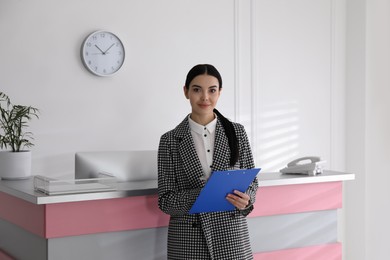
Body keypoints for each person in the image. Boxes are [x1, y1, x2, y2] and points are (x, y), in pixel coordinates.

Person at [157, 64, 258, 260]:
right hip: (188, 241)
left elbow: (252, 182)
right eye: (197, 89)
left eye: (212, 90)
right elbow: (166, 201)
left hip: (231, 237)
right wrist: (206, 194)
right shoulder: (170, 140)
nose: (205, 97)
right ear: (186, 92)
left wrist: (247, 199)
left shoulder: (237, 133)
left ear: (219, 92)